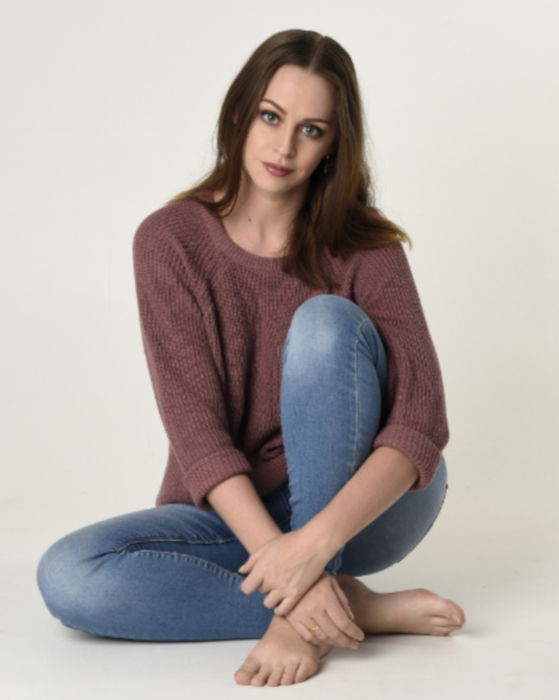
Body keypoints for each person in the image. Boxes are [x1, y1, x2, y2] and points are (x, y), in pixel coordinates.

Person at [36, 28, 466, 687]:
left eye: (312, 129)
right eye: (271, 117)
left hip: (371, 507)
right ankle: (348, 605)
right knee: (68, 576)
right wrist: (284, 560)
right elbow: (197, 435)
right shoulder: (170, 241)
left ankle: (300, 615)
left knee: (323, 324)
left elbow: (421, 422)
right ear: (239, 114)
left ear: (333, 146)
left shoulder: (366, 247)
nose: (284, 146)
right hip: (237, 510)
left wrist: (313, 548)